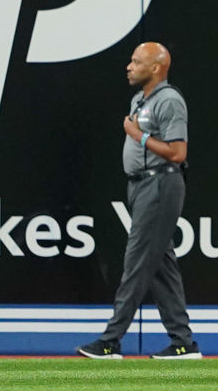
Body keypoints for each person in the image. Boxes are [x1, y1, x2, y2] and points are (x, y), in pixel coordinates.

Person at [78, 42, 201, 359]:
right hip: (142, 186)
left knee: (136, 262)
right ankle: (183, 343)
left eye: (136, 61)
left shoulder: (170, 100)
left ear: (157, 67)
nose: (129, 66)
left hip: (161, 183)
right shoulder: (140, 100)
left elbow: (178, 152)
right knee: (161, 266)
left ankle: (111, 340)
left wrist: (140, 136)